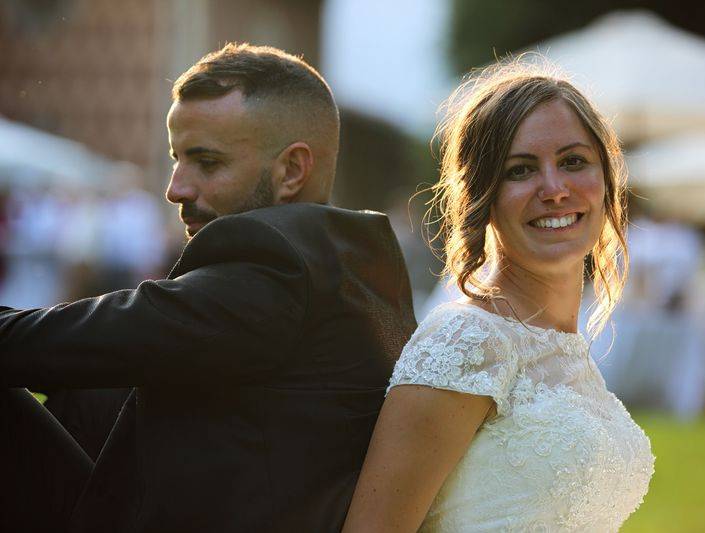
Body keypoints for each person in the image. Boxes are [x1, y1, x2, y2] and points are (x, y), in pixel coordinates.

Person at [0, 43, 417, 533]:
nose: (176, 188)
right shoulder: (346, 259)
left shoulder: (276, 266)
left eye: (207, 162)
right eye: (177, 159)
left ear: (292, 171)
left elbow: (73, 337)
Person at [343, 59, 655, 532]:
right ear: (481, 196)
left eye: (573, 161)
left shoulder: (563, 346)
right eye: (520, 170)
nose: (554, 189)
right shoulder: (466, 342)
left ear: (606, 180)